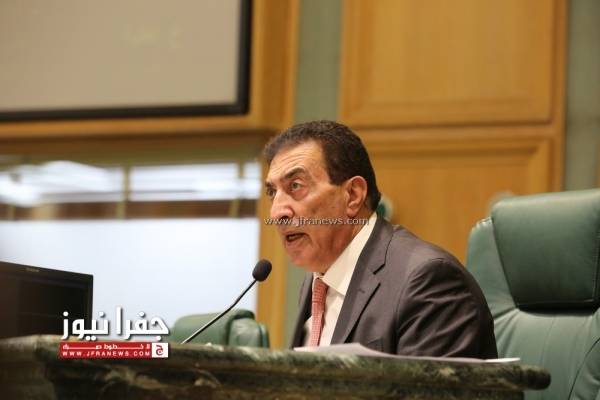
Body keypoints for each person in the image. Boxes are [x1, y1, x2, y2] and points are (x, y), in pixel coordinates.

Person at [263, 120, 497, 358]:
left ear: (353, 195)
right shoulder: (316, 282)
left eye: (296, 186)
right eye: (272, 192)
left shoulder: (428, 280)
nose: (277, 212)